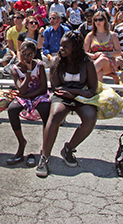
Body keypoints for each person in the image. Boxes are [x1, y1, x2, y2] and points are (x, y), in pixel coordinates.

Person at [37, 31, 98, 177]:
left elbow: (92, 89)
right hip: (62, 96)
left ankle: (69, 148)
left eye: (66, 46)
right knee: (55, 115)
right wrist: (69, 93)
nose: (61, 49)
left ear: (75, 48)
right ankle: (44, 157)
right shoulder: (56, 61)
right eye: (61, 45)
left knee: (90, 117)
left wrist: (74, 93)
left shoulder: (87, 63)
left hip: (81, 96)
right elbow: (56, 87)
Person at [6, 41, 50, 166]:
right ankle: (21, 142)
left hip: (37, 94)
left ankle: (45, 146)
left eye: (30, 55)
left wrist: (28, 95)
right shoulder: (15, 69)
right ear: (19, 53)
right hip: (24, 95)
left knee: (45, 108)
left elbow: (43, 88)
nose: (26, 57)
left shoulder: (39, 65)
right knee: (12, 109)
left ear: (34, 54)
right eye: (24, 54)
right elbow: (21, 89)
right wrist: (29, 73)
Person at [84, 10, 123, 84]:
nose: (98, 22)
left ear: (105, 21)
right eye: (95, 20)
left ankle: (84, 77)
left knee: (102, 60)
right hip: (94, 61)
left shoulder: (112, 35)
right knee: (98, 73)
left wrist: (105, 54)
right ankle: (99, 90)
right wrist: (94, 55)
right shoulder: (90, 35)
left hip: (109, 63)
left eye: (100, 19)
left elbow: (119, 52)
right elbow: (84, 52)